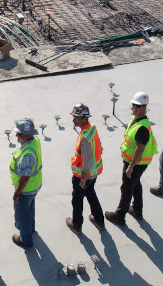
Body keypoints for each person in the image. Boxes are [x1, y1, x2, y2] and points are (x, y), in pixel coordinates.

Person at [105, 92, 157, 224]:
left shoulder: (142, 128)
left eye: (138, 106)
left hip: (136, 163)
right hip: (134, 161)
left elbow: (140, 149)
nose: (134, 108)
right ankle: (137, 209)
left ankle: (119, 215)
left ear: (144, 108)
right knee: (135, 183)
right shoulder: (136, 120)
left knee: (126, 187)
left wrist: (130, 167)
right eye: (133, 105)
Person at [66, 103, 105, 234]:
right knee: (91, 194)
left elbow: (87, 161)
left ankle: (76, 225)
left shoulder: (85, 137)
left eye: (76, 117)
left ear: (84, 118)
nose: (73, 120)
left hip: (84, 176)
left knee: (77, 199)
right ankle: (99, 220)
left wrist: (83, 179)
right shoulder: (91, 128)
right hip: (93, 174)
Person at [9, 119, 42, 248]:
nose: (16, 135)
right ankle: (31, 228)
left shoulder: (27, 154)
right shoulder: (35, 141)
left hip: (26, 189)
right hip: (35, 185)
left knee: (23, 214)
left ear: (28, 135)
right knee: (29, 208)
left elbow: (25, 177)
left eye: (19, 134)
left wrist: (17, 193)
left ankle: (25, 239)